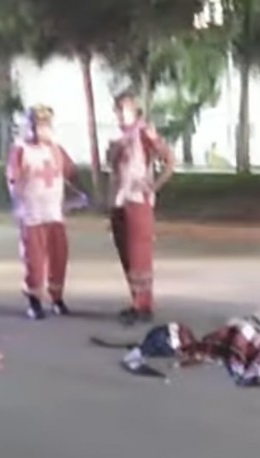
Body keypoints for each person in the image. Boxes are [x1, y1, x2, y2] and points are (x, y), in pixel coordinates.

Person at [107, 90, 176, 326]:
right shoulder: (121, 138)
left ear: (134, 109)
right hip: (120, 200)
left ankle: (144, 306)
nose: (120, 113)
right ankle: (136, 300)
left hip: (138, 200)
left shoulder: (144, 132)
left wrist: (153, 186)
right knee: (126, 253)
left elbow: (169, 160)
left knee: (139, 255)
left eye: (124, 108)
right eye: (117, 109)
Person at [6, 104, 79, 321]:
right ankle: (34, 301)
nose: (42, 129)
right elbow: (13, 179)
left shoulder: (55, 149)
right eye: (38, 124)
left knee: (59, 258)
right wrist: (20, 203)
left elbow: (70, 173)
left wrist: (78, 197)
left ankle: (57, 298)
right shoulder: (20, 150)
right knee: (34, 262)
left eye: (46, 124)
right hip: (32, 216)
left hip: (54, 214)